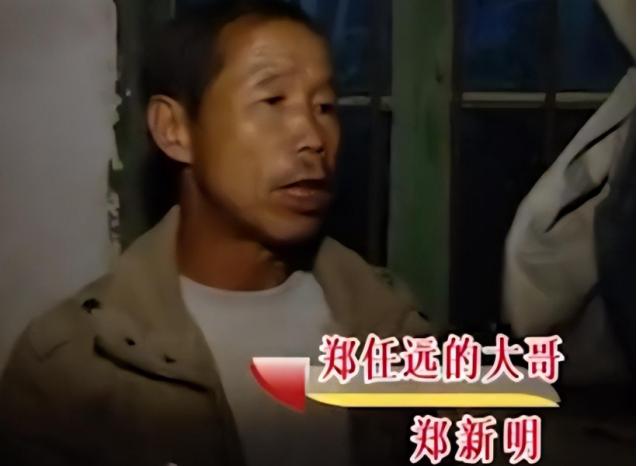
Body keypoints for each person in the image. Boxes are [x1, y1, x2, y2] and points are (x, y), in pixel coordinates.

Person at [0, 2, 429, 466]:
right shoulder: (74, 365)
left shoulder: (389, 326)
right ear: (175, 130)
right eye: (273, 101)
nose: (312, 136)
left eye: (324, 106)